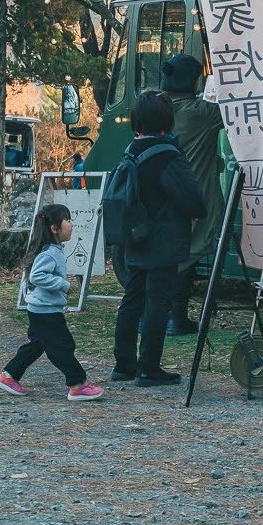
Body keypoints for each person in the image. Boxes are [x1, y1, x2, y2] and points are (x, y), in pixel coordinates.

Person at [109, 90, 204, 387]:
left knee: (132, 300)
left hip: (133, 237)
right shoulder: (166, 156)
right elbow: (194, 201)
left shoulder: (131, 150)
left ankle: (123, 364)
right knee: (158, 302)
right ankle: (149, 367)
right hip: (162, 239)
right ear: (166, 118)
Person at [0, 203, 103, 401]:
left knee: (38, 344)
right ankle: (77, 384)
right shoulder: (50, 253)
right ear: (54, 228)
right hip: (46, 311)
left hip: (41, 308)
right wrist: (62, 285)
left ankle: (8, 376)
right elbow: (37, 276)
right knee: (61, 346)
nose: (71, 224)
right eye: (68, 220)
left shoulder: (52, 249)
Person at [160, 55, 225, 335]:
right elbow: (232, 113)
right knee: (189, 252)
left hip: (161, 196)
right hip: (195, 195)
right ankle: (177, 316)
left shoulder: (155, 109)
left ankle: (164, 315)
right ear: (195, 81)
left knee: (170, 254)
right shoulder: (199, 113)